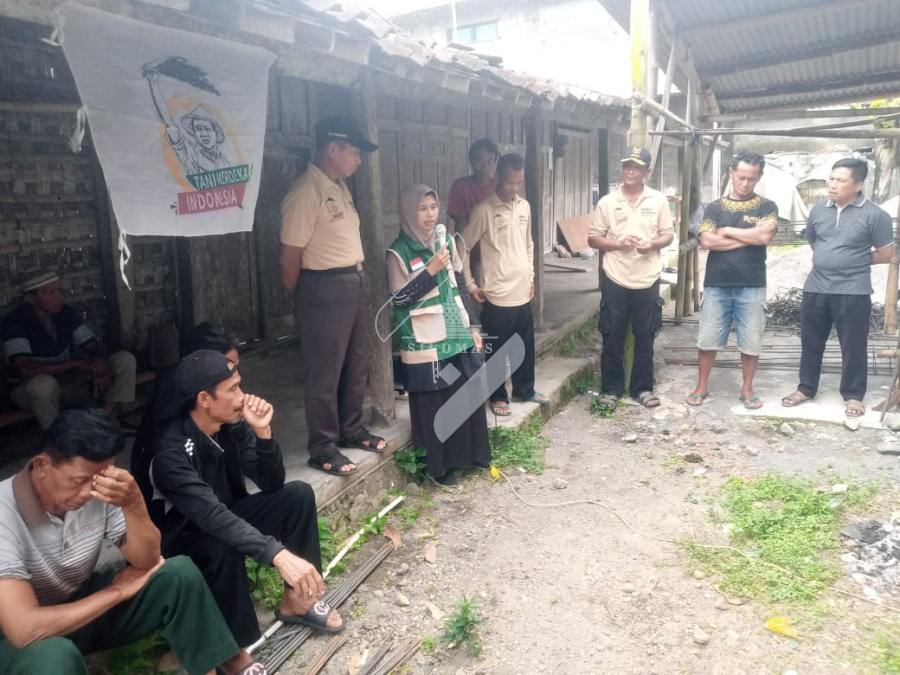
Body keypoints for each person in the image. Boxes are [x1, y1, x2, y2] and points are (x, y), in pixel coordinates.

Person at [0, 408, 265, 675]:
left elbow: (147, 560)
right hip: (13, 638)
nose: (88, 492)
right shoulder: (4, 513)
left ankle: (222, 664)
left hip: (75, 602)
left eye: (97, 478)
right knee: (54, 655)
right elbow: (24, 630)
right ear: (42, 466)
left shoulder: (100, 487)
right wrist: (115, 592)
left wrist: (133, 503)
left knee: (178, 573)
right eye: (78, 481)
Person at [149, 350, 342, 647]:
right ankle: (233, 647)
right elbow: (210, 516)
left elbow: (271, 482)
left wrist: (263, 432)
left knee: (297, 495)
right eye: (233, 389)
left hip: (223, 516)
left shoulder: (230, 424)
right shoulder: (170, 452)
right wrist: (277, 554)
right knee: (220, 543)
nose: (243, 397)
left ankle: (298, 600)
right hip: (183, 541)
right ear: (204, 399)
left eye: (240, 385)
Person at [279, 116, 386, 476]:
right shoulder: (306, 192)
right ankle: (323, 446)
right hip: (322, 286)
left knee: (356, 362)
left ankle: (350, 429)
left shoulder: (339, 188)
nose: (359, 160)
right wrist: (305, 299)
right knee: (324, 371)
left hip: (351, 282)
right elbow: (289, 259)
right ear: (333, 149)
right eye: (354, 152)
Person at [386, 184, 491, 486]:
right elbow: (399, 299)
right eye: (422, 208)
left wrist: (473, 326)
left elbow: (459, 286)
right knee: (436, 401)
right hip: (426, 340)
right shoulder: (398, 252)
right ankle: (440, 468)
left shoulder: (446, 242)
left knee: (463, 392)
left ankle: (468, 457)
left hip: (456, 332)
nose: (430, 215)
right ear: (409, 212)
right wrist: (430, 270)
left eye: (433, 207)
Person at [782, 158, 894, 417]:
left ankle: (853, 396)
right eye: (831, 179)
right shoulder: (818, 210)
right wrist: (832, 258)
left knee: (853, 345)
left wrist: (852, 260)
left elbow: (886, 253)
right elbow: (814, 243)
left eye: (840, 180)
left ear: (858, 185)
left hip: (853, 291)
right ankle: (806, 388)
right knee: (811, 341)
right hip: (816, 288)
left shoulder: (876, 215)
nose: (832, 185)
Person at [686, 151, 778, 409]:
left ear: (758, 177)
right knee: (707, 339)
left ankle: (747, 388)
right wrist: (749, 237)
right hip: (717, 283)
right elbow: (707, 241)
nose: (745, 183)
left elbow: (764, 237)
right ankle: (702, 384)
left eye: (752, 178)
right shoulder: (715, 207)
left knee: (751, 341)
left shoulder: (767, 206)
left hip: (752, 284)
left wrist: (726, 231)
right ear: (731, 173)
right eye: (741, 177)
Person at [462, 153, 550, 416]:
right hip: (496, 294)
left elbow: (529, 244)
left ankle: (525, 390)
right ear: (498, 177)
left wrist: (531, 277)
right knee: (497, 349)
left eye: (519, 182)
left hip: (522, 290)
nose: (515, 188)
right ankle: (498, 396)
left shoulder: (524, 207)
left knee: (525, 345)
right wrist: (469, 284)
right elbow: (461, 247)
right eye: (511, 182)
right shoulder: (484, 210)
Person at [588, 146, 674, 410]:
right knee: (612, 334)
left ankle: (642, 388)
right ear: (621, 168)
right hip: (615, 277)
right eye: (627, 166)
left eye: (637, 167)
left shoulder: (658, 200)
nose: (631, 171)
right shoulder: (607, 202)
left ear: (647, 171)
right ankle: (611, 390)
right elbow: (593, 238)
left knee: (645, 334)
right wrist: (618, 243)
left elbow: (668, 234)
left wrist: (652, 244)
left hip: (647, 278)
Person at [2, 268, 136, 430]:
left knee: (124, 360)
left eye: (59, 290)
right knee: (43, 384)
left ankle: (104, 420)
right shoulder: (15, 322)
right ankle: (59, 437)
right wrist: (75, 363)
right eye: (51, 292)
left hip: (69, 382)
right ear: (31, 298)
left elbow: (93, 346)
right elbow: (26, 370)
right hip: (30, 391)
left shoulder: (65, 313)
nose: (59, 296)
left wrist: (99, 366)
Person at [131, 322, 240, 507]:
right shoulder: (174, 389)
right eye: (229, 367)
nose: (234, 373)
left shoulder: (224, 392)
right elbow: (167, 443)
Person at [448, 139, 500, 283]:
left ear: (495, 162)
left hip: (495, 253)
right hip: (469, 252)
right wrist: (460, 258)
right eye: (479, 161)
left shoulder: (498, 186)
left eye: (489, 161)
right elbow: (460, 224)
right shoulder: (461, 186)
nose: (485, 166)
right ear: (471, 162)